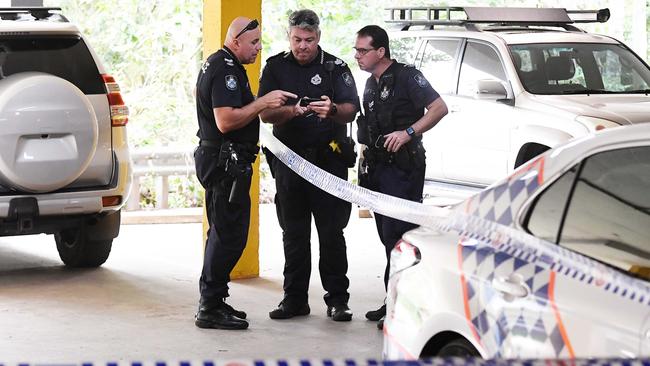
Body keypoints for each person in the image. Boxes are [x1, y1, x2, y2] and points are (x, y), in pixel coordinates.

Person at [194, 16, 296, 330]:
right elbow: (225, 121)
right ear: (236, 40)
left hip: (227, 162)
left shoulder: (225, 64)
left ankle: (214, 298)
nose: (257, 49)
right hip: (225, 163)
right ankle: (209, 307)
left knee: (223, 233)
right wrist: (262, 102)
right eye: (253, 43)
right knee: (229, 236)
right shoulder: (225, 69)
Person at [258, 9, 359, 322]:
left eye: (309, 40)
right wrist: (293, 112)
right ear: (289, 36)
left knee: (331, 233)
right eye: (298, 39)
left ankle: (337, 300)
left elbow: (351, 110)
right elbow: (265, 114)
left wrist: (332, 110)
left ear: (319, 37)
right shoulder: (275, 67)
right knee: (294, 233)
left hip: (328, 163)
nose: (303, 45)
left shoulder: (335, 67)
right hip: (290, 163)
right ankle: (294, 299)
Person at [354, 25, 448, 328]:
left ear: (381, 52)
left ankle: (405, 307)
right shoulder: (370, 84)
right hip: (378, 169)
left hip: (403, 168)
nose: (357, 55)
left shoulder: (408, 76)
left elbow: (439, 108)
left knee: (401, 237)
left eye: (362, 50)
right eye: (356, 50)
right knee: (386, 238)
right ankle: (390, 299)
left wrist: (409, 132)